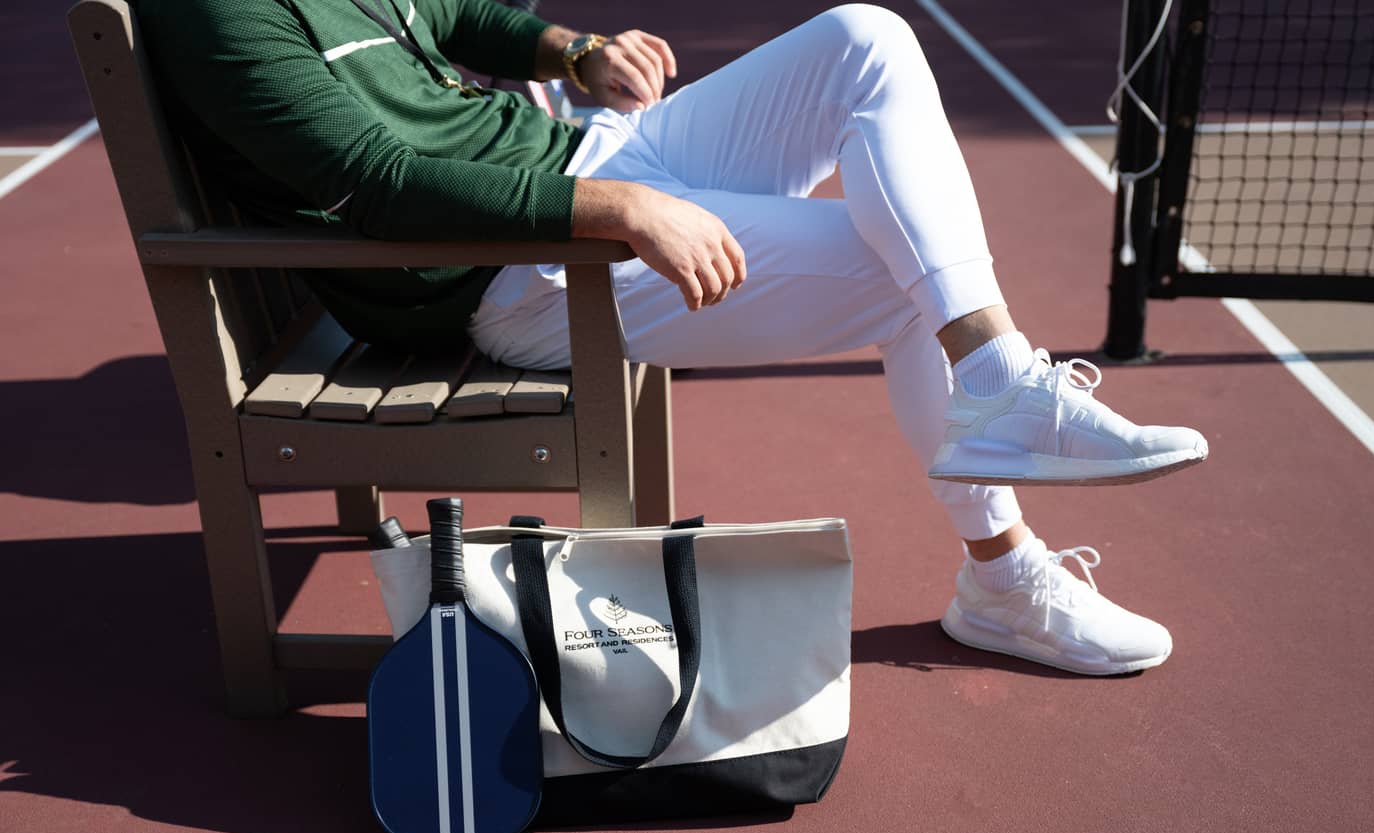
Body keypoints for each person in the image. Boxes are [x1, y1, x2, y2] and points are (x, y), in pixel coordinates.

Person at [141, 0, 1209, 675]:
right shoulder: (216, 14)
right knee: (901, 280)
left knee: (866, 38)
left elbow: (449, 14)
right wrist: (616, 213)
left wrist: (575, 49)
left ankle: (998, 377)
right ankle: (1002, 577)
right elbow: (378, 189)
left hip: (579, 154)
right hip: (514, 275)